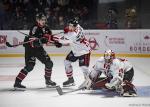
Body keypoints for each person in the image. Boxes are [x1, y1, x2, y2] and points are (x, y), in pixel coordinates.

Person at [14, 13, 62, 89]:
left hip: (39, 49)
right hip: (30, 49)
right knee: (30, 66)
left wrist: (56, 42)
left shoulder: (47, 28)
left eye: (44, 19)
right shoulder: (34, 28)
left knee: (49, 63)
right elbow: (32, 42)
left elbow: (51, 37)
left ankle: (48, 81)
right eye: (41, 20)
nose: (43, 21)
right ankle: (17, 82)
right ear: (37, 20)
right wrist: (41, 40)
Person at [54, 18, 91, 87]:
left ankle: (89, 82)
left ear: (74, 26)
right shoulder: (79, 26)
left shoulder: (72, 35)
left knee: (84, 67)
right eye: (69, 25)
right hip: (76, 50)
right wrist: (67, 31)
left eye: (71, 26)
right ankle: (70, 80)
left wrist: (51, 38)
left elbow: (61, 40)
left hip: (84, 51)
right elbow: (67, 35)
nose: (69, 27)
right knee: (66, 62)